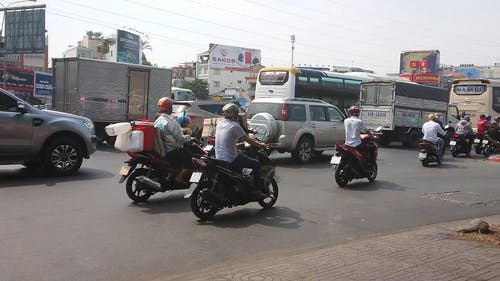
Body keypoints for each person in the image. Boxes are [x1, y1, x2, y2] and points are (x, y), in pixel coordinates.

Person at [214, 103, 267, 198]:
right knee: (256, 164)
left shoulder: (219, 124)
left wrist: (236, 146)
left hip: (219, 158)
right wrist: (260, 145)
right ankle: (256, 190)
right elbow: (248, 140)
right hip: (230, 158)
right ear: (234, 114)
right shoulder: (235, 126)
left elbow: (227, 139)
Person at [154, 97, 193, 184]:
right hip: (172, 150)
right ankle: (179, 177)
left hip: (163, 148)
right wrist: (190, 138)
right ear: (169, 108)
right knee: (190, 158)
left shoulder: (158, 120)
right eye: (171, 106)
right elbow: (180, 138)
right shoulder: (171, 122)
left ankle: (172, 174)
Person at [344, 105, 374, 173]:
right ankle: (366, 165)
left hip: (347, 144)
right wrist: (372, 137)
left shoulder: (345, 121)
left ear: (350, 112)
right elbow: (366, 131)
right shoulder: (359, 121)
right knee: (370, 148)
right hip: (356, 144)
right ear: (358, 113)